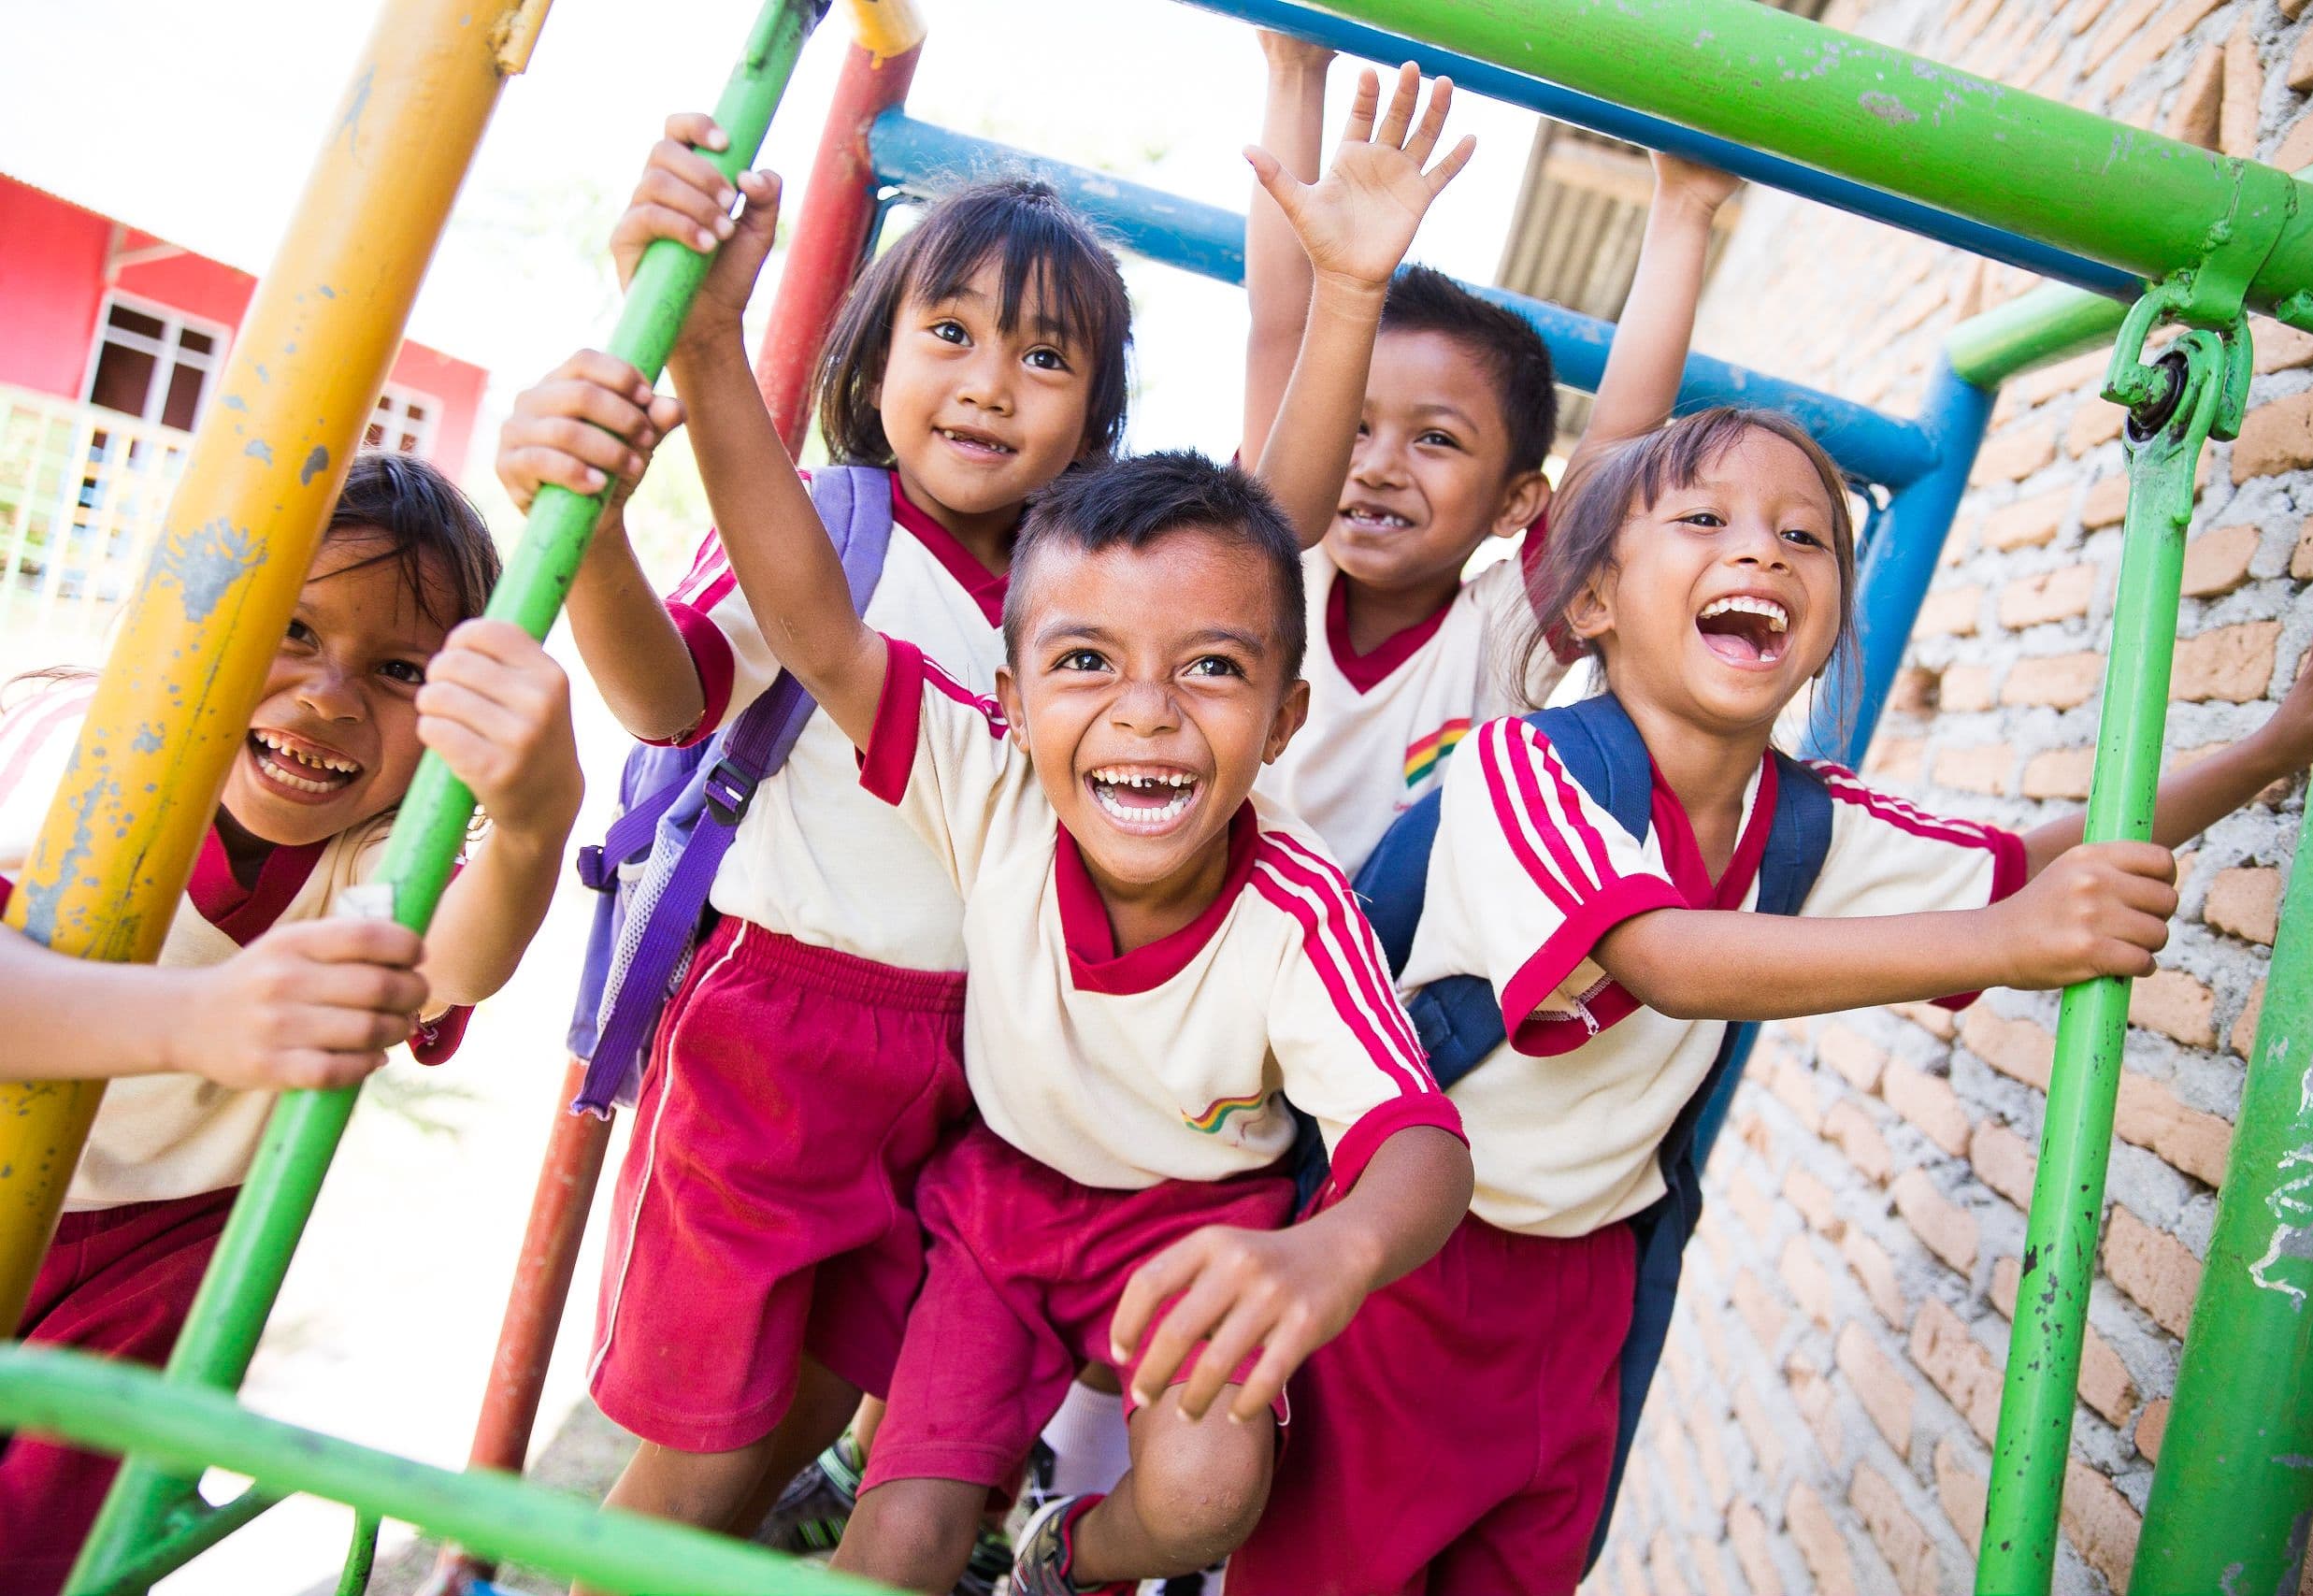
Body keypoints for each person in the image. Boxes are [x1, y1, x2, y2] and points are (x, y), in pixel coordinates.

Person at [1225, 404, 2313, 1596]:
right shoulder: (1522, 770)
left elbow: (2025, 869)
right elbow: (1659, 953)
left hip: (1594, 1278)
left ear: (1823, 631)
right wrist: (2004, 942)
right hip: (1406, 1259)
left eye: (1804, 538)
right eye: (1705, 519)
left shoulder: (1810, 818)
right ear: (1595, 601)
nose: (1761, 552)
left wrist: (2271, 746)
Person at [654, 66, 1479, 1596]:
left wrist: (1331, 1250)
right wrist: (710, 352)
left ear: (1282, 720)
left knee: (1214, 1487)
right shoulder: (996, 782)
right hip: (992, 1203)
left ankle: (1054, 1559)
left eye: (1212, 672)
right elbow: (819, 632)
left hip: (1190, 1224)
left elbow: (1417, 1141)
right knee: (888, 1532)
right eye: (1089, 666)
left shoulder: (1292, 909)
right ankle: (949, 1529)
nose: (1150, 713)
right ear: (1015, 697)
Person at [496, 113, 1135, 1564]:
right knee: (704, 1448)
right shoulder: (829, 522)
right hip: (775, 1039)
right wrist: (592, 531)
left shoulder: (1071, 592)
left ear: (1095, 418)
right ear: (873, 356)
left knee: (818, 1404)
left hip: (958, 1059)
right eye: (952, 330)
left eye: (1044, 357)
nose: (988, 382)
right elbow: (673, 694)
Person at [0, 452, 580, 1593]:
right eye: (297, 632)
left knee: (43, 1550)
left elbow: (453, 959)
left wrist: (529, 828)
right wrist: (190, 1020)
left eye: (399, 669)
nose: (329, 695)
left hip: (157, 1248)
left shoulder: (372, 854)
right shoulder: (88, 754)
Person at [1242, 32, 1742, 871]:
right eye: (1356, 425)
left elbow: (1618, 440)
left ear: (1517, 502)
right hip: (1225, 930)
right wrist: (1297, 69)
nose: (1378, 464)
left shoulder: (1504, 630)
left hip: (1383, 975)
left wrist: (1686, 205)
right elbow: (1284, 329)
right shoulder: (1276, 557)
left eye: (1435, 438)